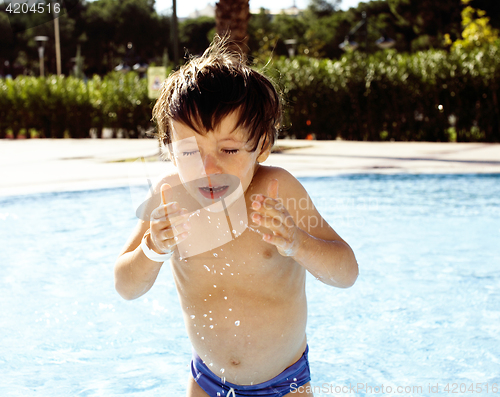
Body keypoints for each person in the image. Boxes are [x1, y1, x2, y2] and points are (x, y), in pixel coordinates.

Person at [114, 37, 358, 397]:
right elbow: (126, 287)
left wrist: (297, 243)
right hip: (207, 380)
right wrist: (153, 249)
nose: (209, 168)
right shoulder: (167, 197)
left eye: (228, 149)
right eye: (188, 152)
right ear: (168, 148)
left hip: (285, 383)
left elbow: (346, 273)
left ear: (262, 145)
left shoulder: (278, 190)